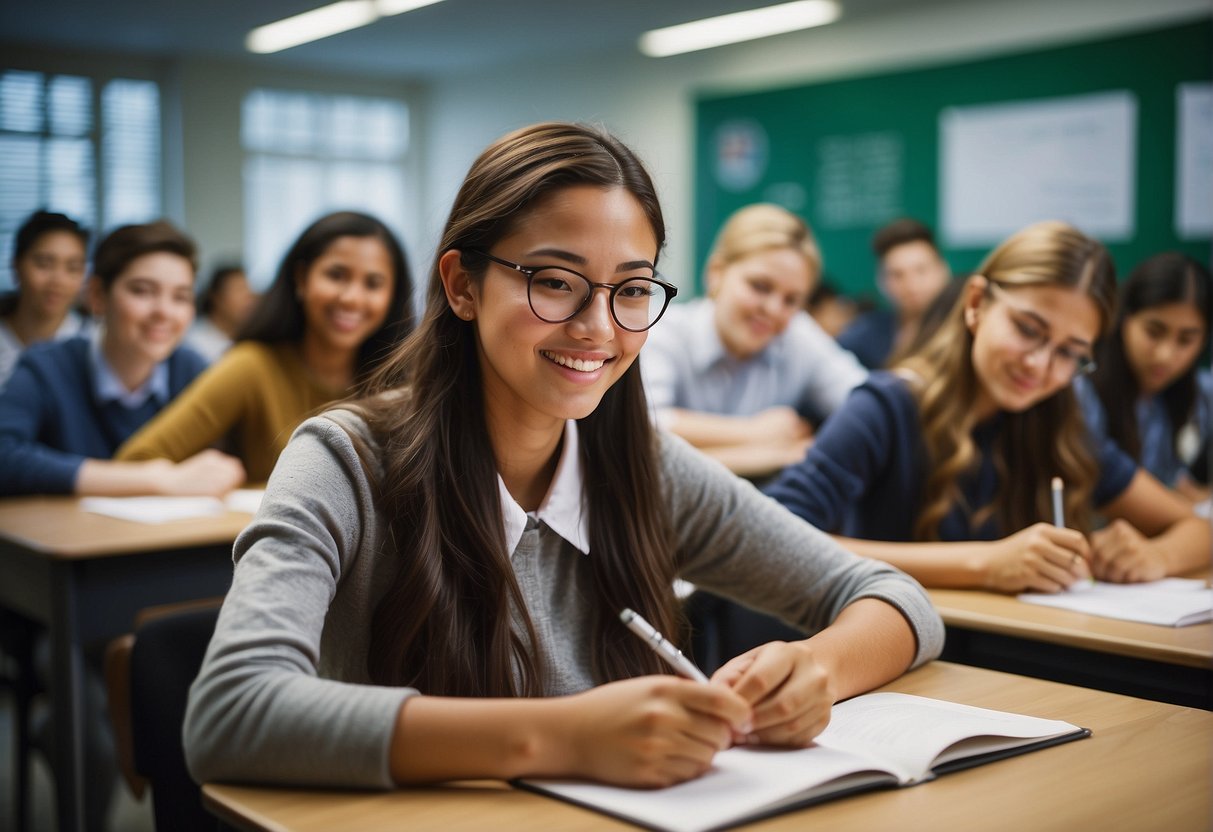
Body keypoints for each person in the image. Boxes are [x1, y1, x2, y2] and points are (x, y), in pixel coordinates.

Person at [184, 122, 942, 791]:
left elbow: (894, 599)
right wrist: (560, 736)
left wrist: (816, 670)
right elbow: (231, 711)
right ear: (462, 285)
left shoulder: (641, 463)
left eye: (632, 290)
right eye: (554, 281)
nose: (596, 327)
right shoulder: (344, 461)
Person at [767, 221, 1211, 590]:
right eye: (1027, 329)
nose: (1039, 366)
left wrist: (1156, 555)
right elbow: (774, 541)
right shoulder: (888, 406)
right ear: (977, 304)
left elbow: (1200, 530)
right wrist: (985, 564)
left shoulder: (1060, 424)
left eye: (1070, 353)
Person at [115, 211, 414, 484]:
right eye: (336, 275)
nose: (351, 298)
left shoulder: (403, 383)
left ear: (392, 296)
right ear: (301, 278)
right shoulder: (252, 365)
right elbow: (133, 461)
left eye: (373, 284)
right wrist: (187, 479)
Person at [0, 220, 245, 497]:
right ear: (97, 295)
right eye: (142, 291)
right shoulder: (46, 367)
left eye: (180, 297)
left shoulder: (192, 370)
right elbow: (5, 456)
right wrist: (153, 479)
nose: (163, 312)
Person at [640, 204, 867, 478]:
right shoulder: (663, 330)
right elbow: (642, 426)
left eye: (791, 300)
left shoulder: (797, 333)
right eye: (760, 286)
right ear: (716, 273)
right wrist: (756, 435)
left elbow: (863, 402)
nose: (773, 309)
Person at [1076, 252, 1211, 503]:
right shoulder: (1081, 391)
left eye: (1186, 340)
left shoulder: (1202, 394)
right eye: (1153, 331)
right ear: (1124, 319)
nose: (1165, 355)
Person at [838, 218, 951, 369]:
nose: (912, 285)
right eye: (897, 275)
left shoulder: (967, 327)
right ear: (881, 281)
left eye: (921, 271)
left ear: (943, 270)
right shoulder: (867, 333)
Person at [0, 210, 90, 387]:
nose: (58, 280)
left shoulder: (93, 346)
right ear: (16, 265)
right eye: (44, 264)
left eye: (73, 268)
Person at [185, 263, 257, 363]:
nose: (249, 298)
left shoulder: (249, 343)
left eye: (249, 290)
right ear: (216, 298)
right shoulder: (192, 345)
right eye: (240, 290)